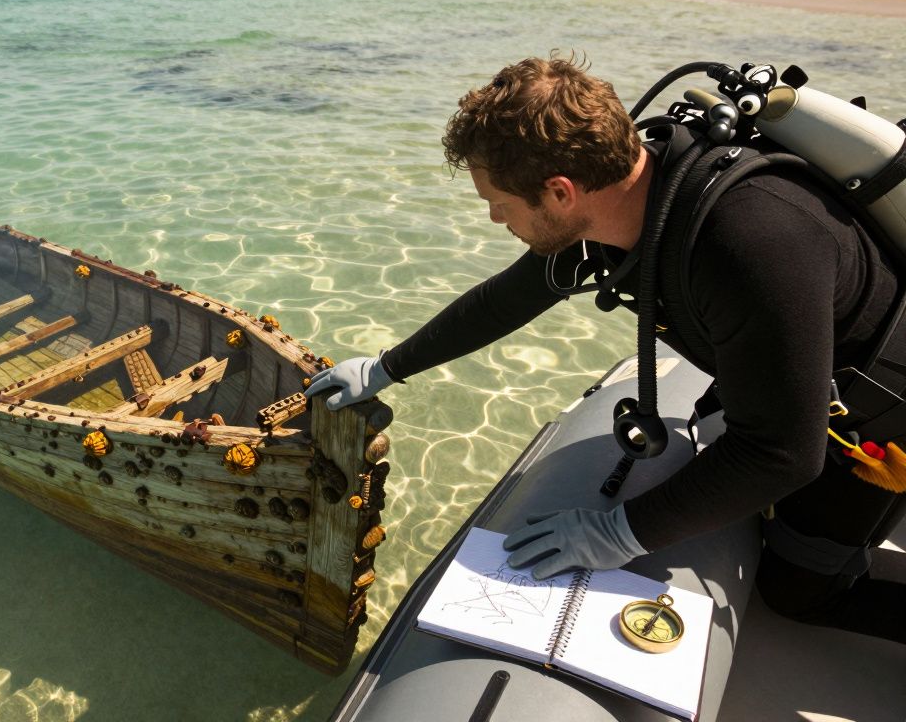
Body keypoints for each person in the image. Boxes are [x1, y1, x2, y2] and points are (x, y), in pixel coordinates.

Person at [305, 55, 906, 643]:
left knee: (798, 595)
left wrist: (621, 532)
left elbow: (782, 453)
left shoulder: (748, 242)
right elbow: (504, 301)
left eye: (500, 203)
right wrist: (388, 367)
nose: (492, 218)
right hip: (804, 382)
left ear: (561, 192)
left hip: (882, 425)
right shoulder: (631, 200)